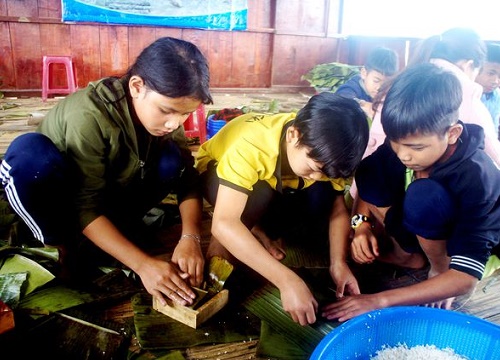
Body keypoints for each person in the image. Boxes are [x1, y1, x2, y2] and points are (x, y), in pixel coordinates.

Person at [0, 37, 213, 307]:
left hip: (105, 195)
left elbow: (187, 179)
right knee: (29, 157)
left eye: (185, 114)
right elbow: (83, 204)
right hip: (64, 198)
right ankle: (58, 247)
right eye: (167, 111)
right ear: (137, 86)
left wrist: (190, 237)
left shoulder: (166, 120)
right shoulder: (90, 115)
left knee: (173, 160)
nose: (175, 123)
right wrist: (143, 265)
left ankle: (115, 231)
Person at [321, 63, 500, 322]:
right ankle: (410, 256)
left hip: (458, 243)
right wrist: (361, 226)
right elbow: (370, 179)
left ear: (452, 134)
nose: (404, 155)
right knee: (372, 168)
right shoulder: (406, 144)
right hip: (420, 228)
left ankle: (438, 269)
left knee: (424, 195)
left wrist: (377, 300)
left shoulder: (477, 178)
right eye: (396, 143)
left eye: (415, 147)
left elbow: (466, 278)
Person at [194, 92, 369, 325]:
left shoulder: (326, 153)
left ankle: (258, 230)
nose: (318, 175)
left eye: (326, 172)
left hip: (281, 185)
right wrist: (287, 280)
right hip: (216, 177)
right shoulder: (252, 145)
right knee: (258, 194)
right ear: (293, 135)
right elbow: (224, 223)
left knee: (321, 194)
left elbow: (338, 210)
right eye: (314, 167)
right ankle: (224, 248)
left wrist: (339, 263)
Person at [363, 28, 500, 166]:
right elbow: (496, 157)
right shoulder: (465, 95)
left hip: (373, 176)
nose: (403, 155)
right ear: (469, 65)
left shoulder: (400, 81)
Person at [335, 46, 399, 119]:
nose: (379, 87)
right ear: (364, 73)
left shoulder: (390, 90)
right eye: (376, 81)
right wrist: (365, 105)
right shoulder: (353, 86)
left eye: (386, 83)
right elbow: (342, 97)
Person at [475, 43, 500, 138]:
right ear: (476, 69)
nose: (495, 81)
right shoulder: (461, 93)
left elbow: (493, 129)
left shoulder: (497, 95)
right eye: (490, 73)